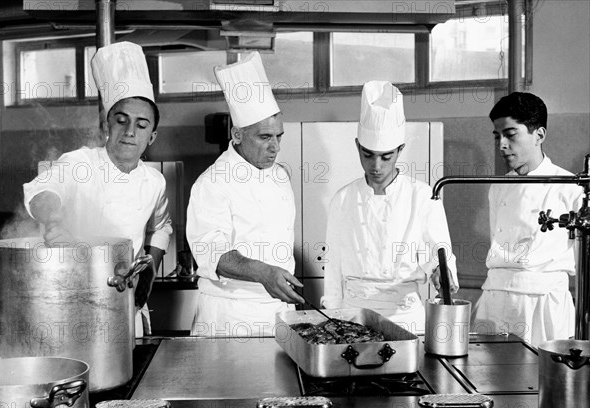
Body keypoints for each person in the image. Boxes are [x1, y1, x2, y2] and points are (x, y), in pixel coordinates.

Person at [23, 42, 172, 335]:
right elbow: (41, 192)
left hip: (126, 302)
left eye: (141, 125)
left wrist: (150, 268)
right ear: (107, 126)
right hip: (73, 303)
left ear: (151, 137)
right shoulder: (79, 162)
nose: (130, 132)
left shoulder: (155, 182)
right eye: (121, 121)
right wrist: (54, 220)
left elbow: (162, 227)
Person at [321, 81, 458, 334]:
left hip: (405, 316)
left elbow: (438, 252)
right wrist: (333, 318)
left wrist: (442, 271)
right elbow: (333, 269)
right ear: (357, 146)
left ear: (400, 150)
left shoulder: (422, 195)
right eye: (368, 154)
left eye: (386, 156)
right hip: (353, 316)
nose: (376, 166)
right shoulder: (342, 199)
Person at [186, 52, 303, 338]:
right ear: (237, 135)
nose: (275, 147)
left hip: (277, 311)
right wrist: (263, 273)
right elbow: (211, 252)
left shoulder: (279, 175)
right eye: (265, 137)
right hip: (230, 315)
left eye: (279, 136)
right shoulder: (212, 183)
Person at [471, 92, 583, 347]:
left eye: (510, 134)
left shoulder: (570, 188)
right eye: (497, 136)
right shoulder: (498, 188)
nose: (501, 144)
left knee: (541, 381)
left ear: (539, 135)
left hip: (542, 305)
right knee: (483, 378)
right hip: (494, 299)